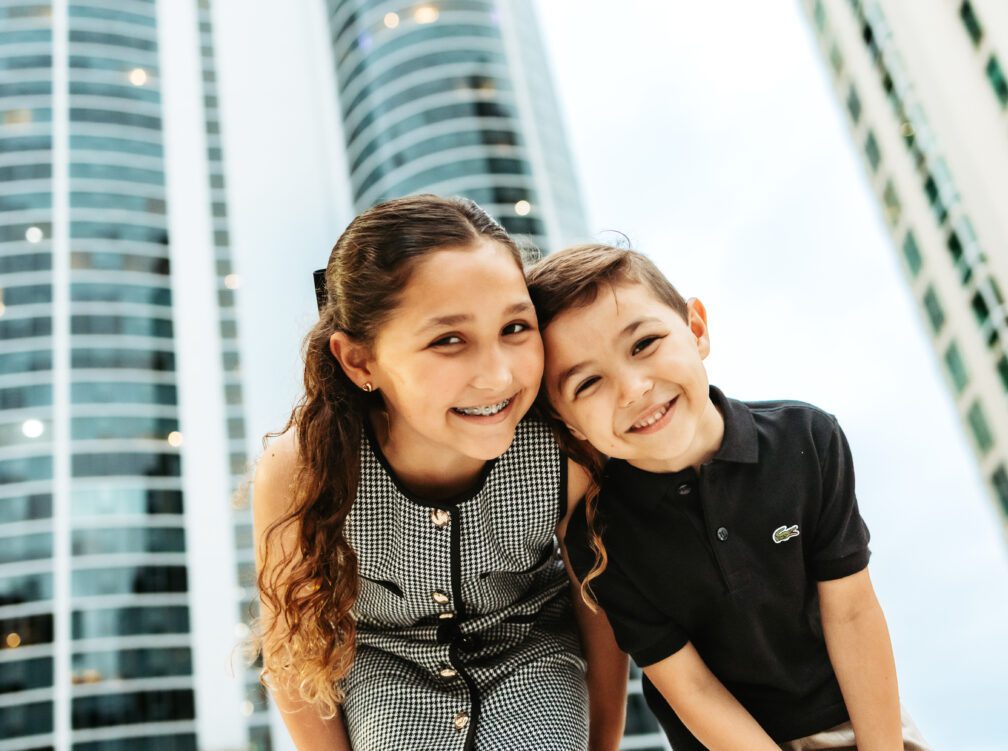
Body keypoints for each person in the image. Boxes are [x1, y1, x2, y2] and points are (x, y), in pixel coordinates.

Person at [250, 197, 627, 751]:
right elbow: (292, 646)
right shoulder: (300, 468)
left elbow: (598, 606)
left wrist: (601, 745)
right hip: (386, 666)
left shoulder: (565, 447)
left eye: (516, 327)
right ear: (360, 362)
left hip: (532, 649)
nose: (497, 375)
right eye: (448, 340)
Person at [525, 244, 930, 750]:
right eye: (587, 383)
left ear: (696, 329)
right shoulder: (602, 538)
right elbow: (689, 688)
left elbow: (850, 613)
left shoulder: (805, 437)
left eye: (644, 343)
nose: (632, 388)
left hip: (854, 721)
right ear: (566, 420)